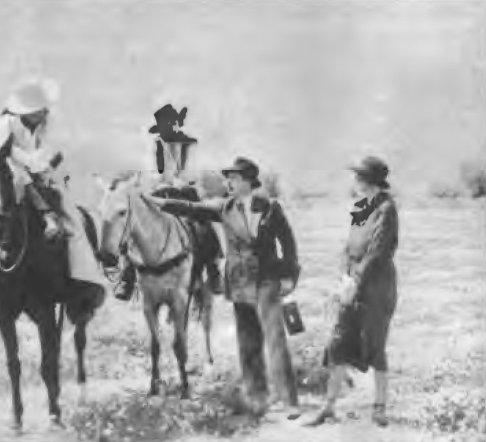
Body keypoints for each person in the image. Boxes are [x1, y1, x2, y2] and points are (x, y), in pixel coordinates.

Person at [146, 156, 302, 419]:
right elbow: (190, 207)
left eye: (234, 178)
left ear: (248, 181)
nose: (228, 182)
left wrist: (289, 277)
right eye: (228, 178)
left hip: (267, 279)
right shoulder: (224, 207)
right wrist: (158, 203)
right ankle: (257, 398)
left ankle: (289, 401)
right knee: (248, 341)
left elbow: (288, 243)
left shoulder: (271, 208)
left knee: (275, 339)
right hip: (240, 282)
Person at [0, 77, 106, 290]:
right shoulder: (6, 123)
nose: (44, 112)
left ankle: (81, 273)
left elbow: (45, 153)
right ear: (27, 110)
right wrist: (24, 159)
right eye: (40, 109)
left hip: (38, 173)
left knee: (71, 214)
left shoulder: (42, 125)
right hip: (9, 175)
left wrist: (45, 164)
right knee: (1, 223)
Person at [305, 156, 399, 428]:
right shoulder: (361, 205)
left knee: (376, 343)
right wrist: (343, 277)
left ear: (370, 181)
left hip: (376, 287)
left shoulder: (386, 208)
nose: (355, 182)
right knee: (338, 343)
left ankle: (379, 408)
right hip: (352, 283)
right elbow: (350, 246)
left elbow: (378, 252)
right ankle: (328, 407)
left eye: (359, 177)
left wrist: (355, 282)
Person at [113, 104, 223, 300]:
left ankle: (213, 269)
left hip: (184, 191)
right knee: (135, 224)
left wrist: (176, 181)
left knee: (203, 223)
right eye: (161, 125)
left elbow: (190, 172)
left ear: (173, 124)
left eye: (166, 124)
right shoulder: (157, 145)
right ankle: (128, 275)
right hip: (159, 191)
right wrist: (154, 183)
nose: (163, 128)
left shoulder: (188, 144)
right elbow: (151, 172)